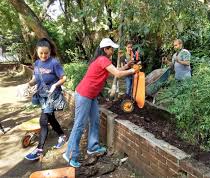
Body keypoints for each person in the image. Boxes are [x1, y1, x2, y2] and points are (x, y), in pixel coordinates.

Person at [63, 38, 138, 168]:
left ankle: (92, 147)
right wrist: (132, 71)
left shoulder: (103, 60)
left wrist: (127, 66)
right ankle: (70, 155)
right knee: (80, 124)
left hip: (91, 95)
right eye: (111, 48)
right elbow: (118, 74)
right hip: (84, 94)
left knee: (95, 120)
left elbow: (115, 70)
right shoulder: (103, 59)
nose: (113, 50)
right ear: (105, 49)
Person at [24, 38, 67, 161]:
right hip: (41, 95)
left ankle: (39, 150)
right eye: (41, 53)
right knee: (50, 118)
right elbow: (35, 79)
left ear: (50, 51)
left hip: (52, 96)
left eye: (46, 53)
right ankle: (62, 135)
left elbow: (63, 78)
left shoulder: (54, 63)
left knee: (43, 120)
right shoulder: (37, 63)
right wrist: (28, 85)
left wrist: (55, 85)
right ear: (37, 52)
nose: (43, 55)